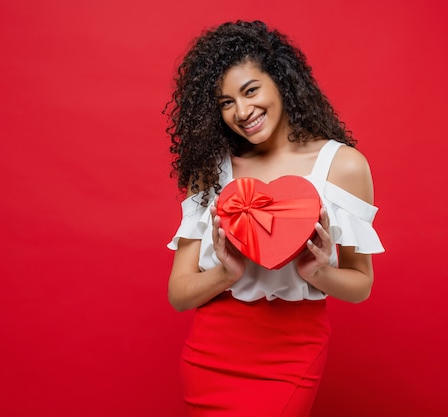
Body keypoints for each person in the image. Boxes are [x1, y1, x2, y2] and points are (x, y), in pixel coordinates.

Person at [164, 20, 384, 417]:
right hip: (211, 353)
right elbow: (179, 293)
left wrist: (317, 272)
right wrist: (225, 274)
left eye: (250, 90)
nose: (242, 111)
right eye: (225, 102)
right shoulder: (211, 171)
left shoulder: (344, 166)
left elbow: (361, 284)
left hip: (292, 354)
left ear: (281, 81)